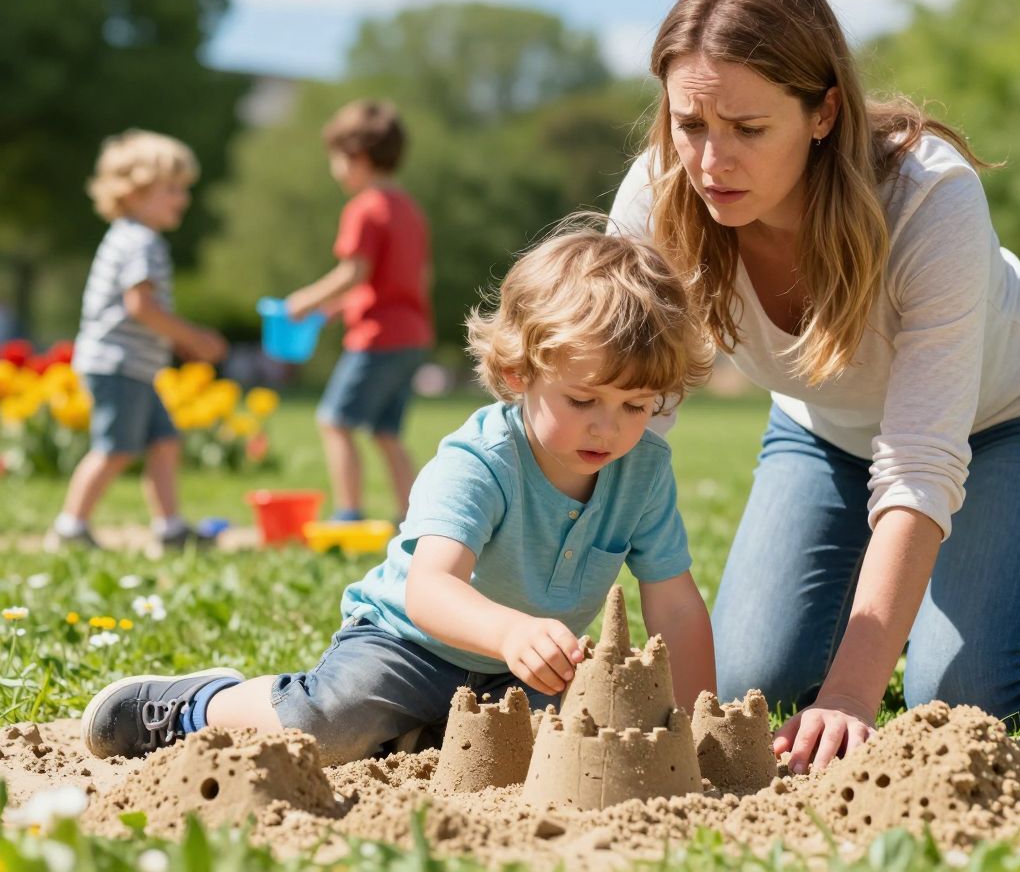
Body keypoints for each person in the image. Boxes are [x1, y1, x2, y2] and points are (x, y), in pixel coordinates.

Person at [608, 0, 1020, 774]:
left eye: (747, 128)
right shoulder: (658, 196)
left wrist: (850, 693)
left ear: (823, 112)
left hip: (1012, 424)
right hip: (827, 434)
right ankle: (917, 599)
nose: (710, 162)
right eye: (689, 124)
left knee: (963, 695)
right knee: (750, 679)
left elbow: (919, 461)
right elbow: (626, 420)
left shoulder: (930, 199)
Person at [83, 225, 717, 765]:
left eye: (638, 406)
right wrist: (508, 631)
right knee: (325, 726)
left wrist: (697, 731)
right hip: (406, 645)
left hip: (523, 669)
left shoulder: (644, 470)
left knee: (590, 734)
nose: (609, 427)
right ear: (518, 373)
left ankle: (422, 732)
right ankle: (198, 704)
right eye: (583, 400)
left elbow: (677, 609)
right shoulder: (480, 460)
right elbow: (430, 589)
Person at [50, 131, 227, 551]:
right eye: (171, 189)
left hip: (132, 364)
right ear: (132, 193)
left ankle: (170, 529)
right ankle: (69, 528)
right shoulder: (140, 242)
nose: (182, 199)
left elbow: (142, 310)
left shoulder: (132, 237)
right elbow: (141, 306)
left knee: (164, 443)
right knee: (115, 449)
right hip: (118, 362)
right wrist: (193, 337)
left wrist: (175, 339)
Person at [286, 100, 433, 523]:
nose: (335, 169)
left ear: (358, 157)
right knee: (388, 433)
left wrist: (306, 300)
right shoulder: (409, 209)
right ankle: (414, 517)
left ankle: (348, 512)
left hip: (377, 337)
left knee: (335, 422)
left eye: (336, 158)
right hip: (412, 334)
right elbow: (408, 279)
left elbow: (354, 272)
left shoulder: (365, 208)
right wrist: (335, 309)